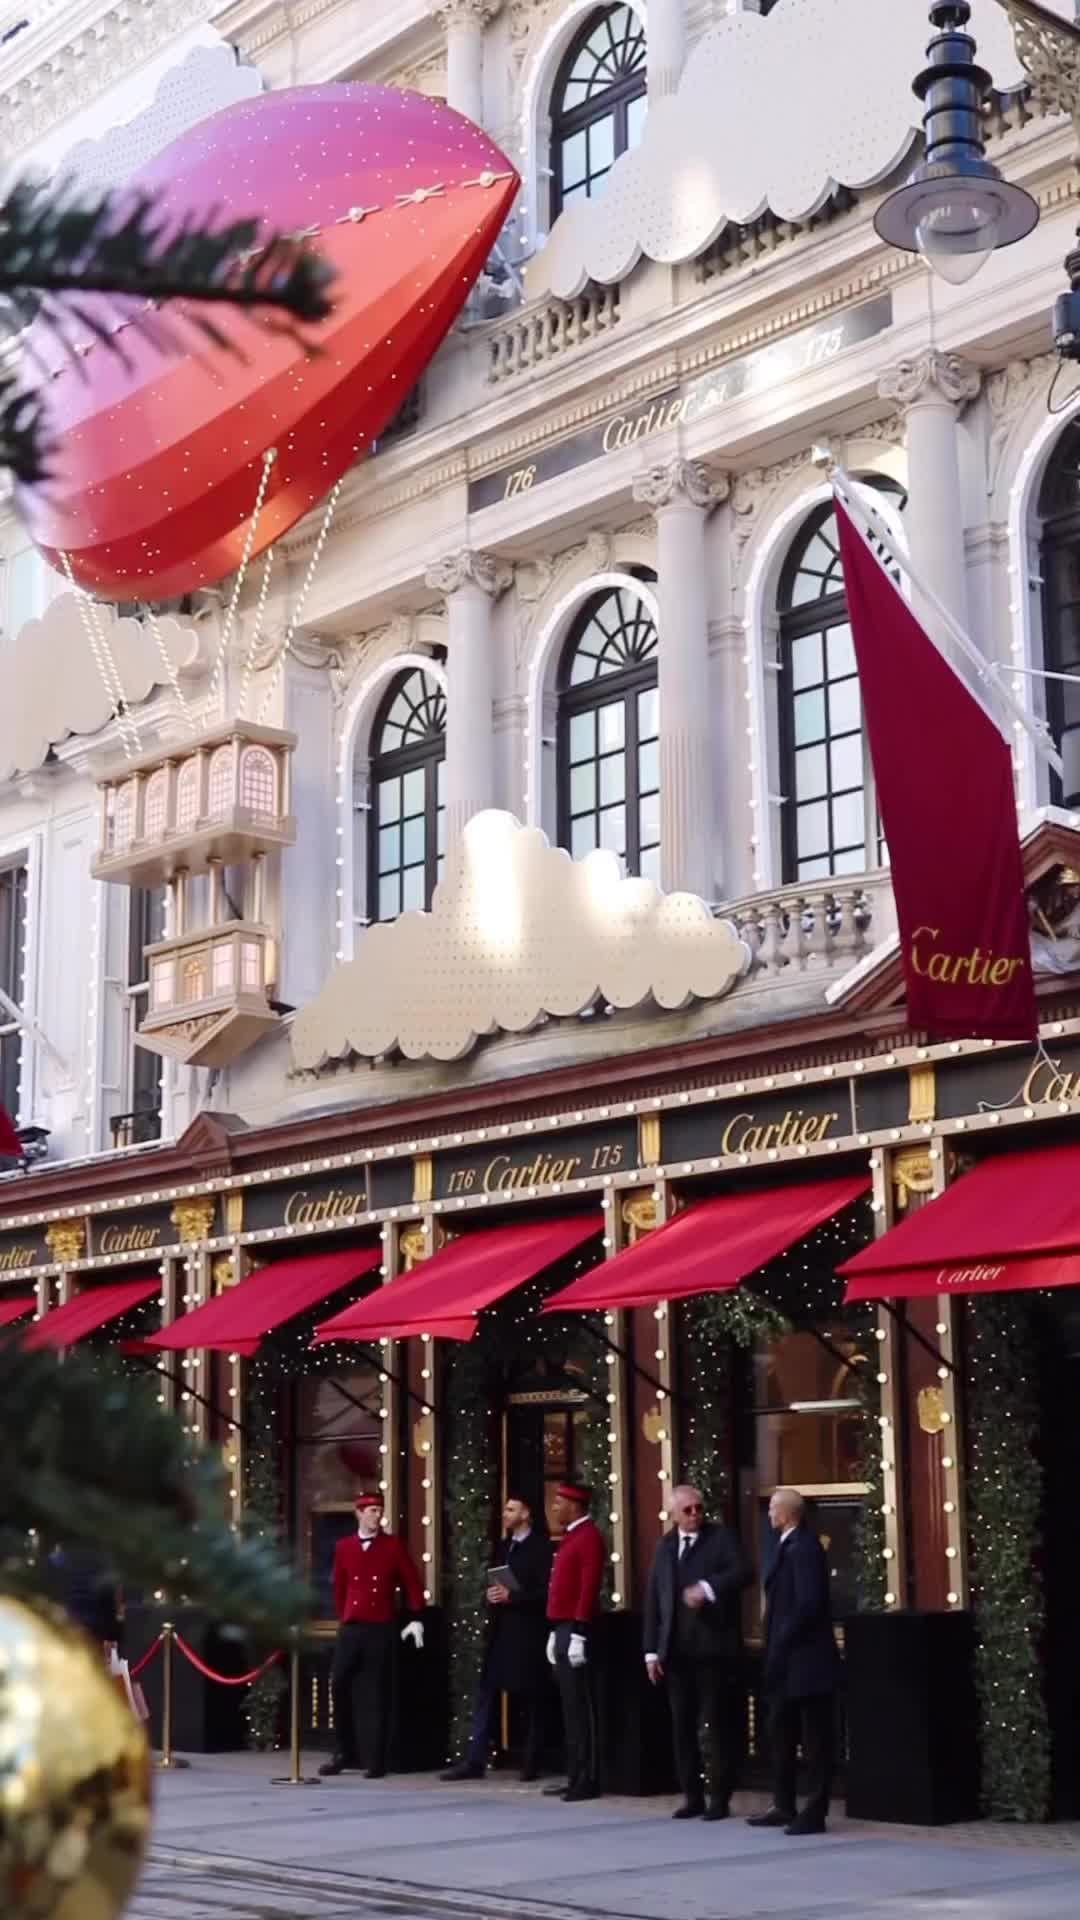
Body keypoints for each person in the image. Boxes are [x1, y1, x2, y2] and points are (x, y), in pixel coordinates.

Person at [644, 1483, 751, 1821]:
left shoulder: (721, 1538)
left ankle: (719, 1797)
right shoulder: (665, 1546)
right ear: (673, 1514)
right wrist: (651, 1651)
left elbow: (744, 1572)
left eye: (699, 1509)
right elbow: (654, 1601)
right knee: (682, 1726)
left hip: (713, 1649)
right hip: (676, 1653)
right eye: (687, 1510)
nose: (695, 1515)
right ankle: (692, 1796)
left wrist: (708, 1587)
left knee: (717, 1725)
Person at [442, 1493, 553, 1783]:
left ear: (526, 1514)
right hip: (502, 1631)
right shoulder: (504, 1547)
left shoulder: (541, 1548)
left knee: (533, 1698)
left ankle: (532, 1761)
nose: (505, 1514)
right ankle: (475, 1758)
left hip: (529, 1633)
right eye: (505, 1509)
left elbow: (547, 1594)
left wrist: (513, 1596)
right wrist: (494, 1594)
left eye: (511, 1509)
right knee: (486, 1693)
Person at [747, 1488, 839, 1837]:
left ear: (788, 1513)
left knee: (815, 1739)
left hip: (807, 1660)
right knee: (780, 1732)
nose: (768, 1513)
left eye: (772, 1508)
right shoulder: (785, 1544)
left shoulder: (805, 1547)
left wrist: (782, 1641)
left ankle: (814, 1812)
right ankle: (782, 1804)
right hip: (784, 1660)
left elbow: (808, 1604)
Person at [319, 1491, 425, 1779]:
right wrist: (344, 1616)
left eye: (379, 1510)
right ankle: (343, 1751)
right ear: (359, 1513)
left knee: (377, 1693)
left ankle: (376, 1759)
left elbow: (413, 1583)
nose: (376, 1515)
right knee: (338, 1686)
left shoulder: (392, 1546)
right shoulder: (344, 1546)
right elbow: (339, 1586)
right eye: (371, 1511)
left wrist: (416, 1616)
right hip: (352, 1628)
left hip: (381, 1627)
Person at [542, 1481, 606, 1803]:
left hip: (577, 1628)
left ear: (575, 1505)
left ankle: (587, 1778)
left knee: (581, 1707)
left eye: (559, 1502)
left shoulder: (589, 1537)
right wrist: (556, 1630)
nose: (554, 1507)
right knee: (570, 1708)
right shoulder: (572, 1537)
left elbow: (588, 1585)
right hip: (564, 1626)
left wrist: (579, 1629)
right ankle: (575, 1773)